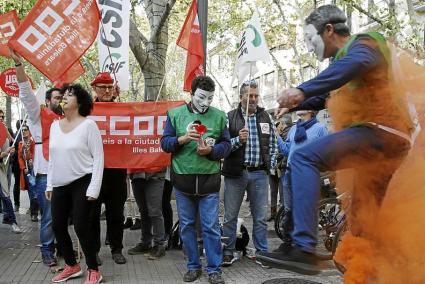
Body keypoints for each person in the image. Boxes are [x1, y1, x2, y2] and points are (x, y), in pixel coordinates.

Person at [256, 5, 414, 275]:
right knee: (363, 223)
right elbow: (330, 94)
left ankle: (303, 247)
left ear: (328, 30)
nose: (308, 47)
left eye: (309, 39)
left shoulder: (363, 45)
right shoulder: (344, 64)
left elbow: (354, 65)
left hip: (380, 133)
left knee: (304, 156)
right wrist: (295, 104)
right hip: (388, 145)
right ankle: (373, 273)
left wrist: (301, 90)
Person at [161, 76, 230, 284]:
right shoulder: (175, 115)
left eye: (210, 98)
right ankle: (193, 266)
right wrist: (182, 139)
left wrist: (211, 151)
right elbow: (165, 144)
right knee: (187, 226)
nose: (205, 102)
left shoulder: (219, 117)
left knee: (210, 227)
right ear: (191, 94)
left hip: (209, 182)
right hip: (183, 182)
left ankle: (214, 269)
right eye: (201, 97)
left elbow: (226, 145)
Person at [46, 84, 104, 284]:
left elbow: (98, 158)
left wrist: (94, 188)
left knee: (80, 226)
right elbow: (52, 159)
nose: (65, 97)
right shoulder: (55, 126)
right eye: (63, 95)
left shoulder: (89, 125)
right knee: (57, 225)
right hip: (60, 183)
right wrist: (49, 185)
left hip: (83, 181)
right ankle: (72, 265)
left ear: (80, 102)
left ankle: (94, 269)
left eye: (70, 94)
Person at [11, 48, 62, 266]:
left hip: (66, 175)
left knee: (63, 216)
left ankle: (62, 247)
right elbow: (25, 93)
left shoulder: (69, 119)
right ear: (48, 100)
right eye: (57, 98)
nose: (61, 101)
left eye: (63, 97)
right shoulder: (37, 114)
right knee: (49, 217)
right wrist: (19, 66)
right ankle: (47, 252)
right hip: (44, 176)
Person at [221, 80, 278, 266]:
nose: (253, 99)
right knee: (230, 216)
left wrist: (271, 163)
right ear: (241, 97)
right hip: (236, 174)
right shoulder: (230, 117)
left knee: (260, 218)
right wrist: (238, 139)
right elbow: (223, 147)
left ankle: (262, 253)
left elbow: (273, 143)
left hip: (260, 174)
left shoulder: (265, 117)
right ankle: (228, 251)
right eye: (250, 95)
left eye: (256, 95)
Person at [90, 72, 128, 264]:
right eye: (102, 87)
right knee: (92, 214)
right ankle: (93, 250)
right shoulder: (86, 110)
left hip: (117, 171)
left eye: (109, 87)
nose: (106, 90)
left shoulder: (124, 109)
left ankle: (116, 248)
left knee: (116, 214)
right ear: (94, 89)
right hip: (93, 172)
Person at [276, 110, 328, 248]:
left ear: (311, 110)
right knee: (289, 210)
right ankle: (288, 243)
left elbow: (326, 152)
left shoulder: (320, 128)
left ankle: (304, 246)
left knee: (304, 209)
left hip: (306, 175)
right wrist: (278, 138)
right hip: (289, 173)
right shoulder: (294, 128)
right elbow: (288, 150)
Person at [127, 169, 167, 260]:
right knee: (143, 211)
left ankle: (159, 245)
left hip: (155, 175)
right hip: (136, 176)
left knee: (155, 211)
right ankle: (146, 243)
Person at [0, 118, 22, 234]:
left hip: (1, 170)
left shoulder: (4, 132)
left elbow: (13, 144)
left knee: (5, 197)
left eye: (2, 117)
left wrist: (8, 151)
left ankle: (13, 221)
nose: (1, 119)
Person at [18, 124, 40, 222]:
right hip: (27, 170)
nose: (24, 131)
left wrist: (32, 159)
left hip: (35, 168)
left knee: (37, 190)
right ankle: (34, 213)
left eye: (25, 129)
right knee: (31, 191)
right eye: (22, 130)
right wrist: (23, 167)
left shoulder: (33, 141)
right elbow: (20, 157)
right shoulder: (20, 143)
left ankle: (39, 211)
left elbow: (36, 153)